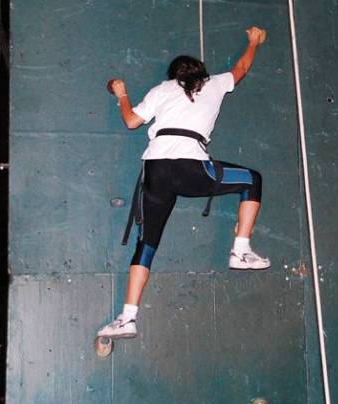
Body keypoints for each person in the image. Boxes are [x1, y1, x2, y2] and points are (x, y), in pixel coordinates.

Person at [97, 26, 270, 340]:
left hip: (156, 170)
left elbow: (132, 121)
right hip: (191, 168)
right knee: (251, 180)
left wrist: (122, 94)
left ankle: (127, 318)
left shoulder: (162, 89)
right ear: (200, 72)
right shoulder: (214, 83)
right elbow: (241, 68)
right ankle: (241, 251)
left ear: (173, 74)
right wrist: (253, 42)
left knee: (146, 244)